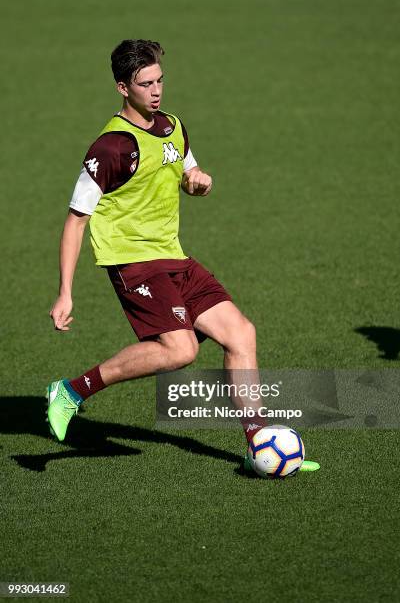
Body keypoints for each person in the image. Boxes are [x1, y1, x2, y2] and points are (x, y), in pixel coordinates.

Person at [47, 39, 266, 455]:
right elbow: (76, 221)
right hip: (133, 262)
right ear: (123, 88)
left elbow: (187, 170)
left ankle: (262, 443)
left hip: (173, 256)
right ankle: (71, 392)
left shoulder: (172, 126)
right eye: (145, 83)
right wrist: (65, 292)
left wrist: (198, 182)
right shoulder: (110, 148)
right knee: (179, 349)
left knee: (241, 333)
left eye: (160, 80)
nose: (156, 90)